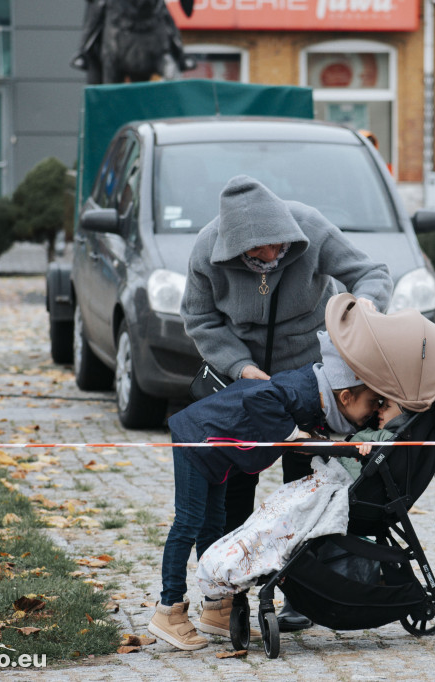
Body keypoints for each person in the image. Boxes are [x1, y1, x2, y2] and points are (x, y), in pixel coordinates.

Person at [181, 174, 392, 631]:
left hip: (313, 382)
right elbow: (198, 317)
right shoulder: (206, 249)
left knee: (310, 490)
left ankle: (304, 592)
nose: (274, 257)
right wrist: (239, 366)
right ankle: (225, 596)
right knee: (234, 489)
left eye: (280, 248)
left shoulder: (310, 227)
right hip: (248, 384)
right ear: (236, 248)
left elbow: (371, 273)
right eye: (261, 254)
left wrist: (366, 308)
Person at [149, 330, 383, 650]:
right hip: (198, 439)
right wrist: (345, 449)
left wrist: (333, 443)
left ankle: (216, 606)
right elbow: (262, 401)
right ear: (345, 397)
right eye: (371, 403)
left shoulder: (317, 391)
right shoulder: (303, 392)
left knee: (215, 522)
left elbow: (300, 442)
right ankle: (169, 609)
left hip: (219, 453)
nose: (372, 411)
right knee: (189, 521)